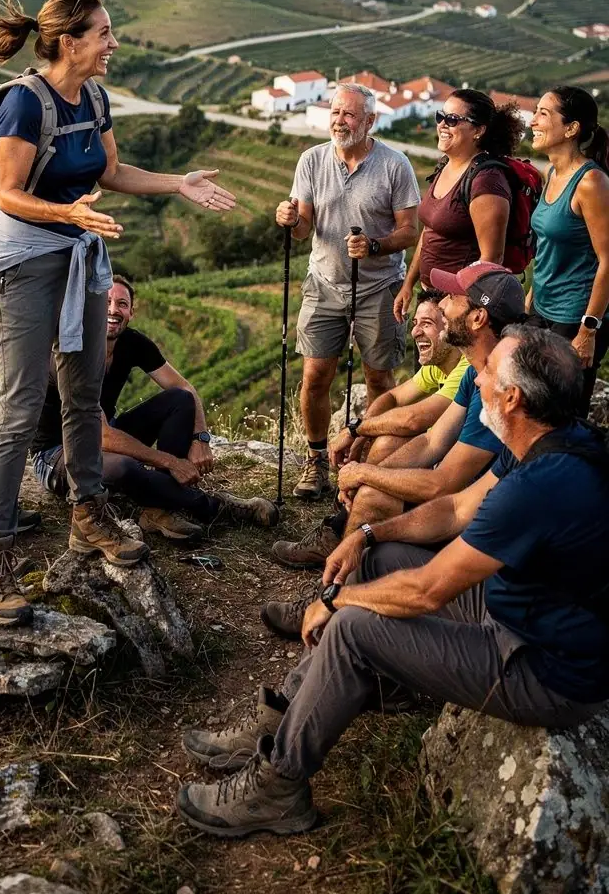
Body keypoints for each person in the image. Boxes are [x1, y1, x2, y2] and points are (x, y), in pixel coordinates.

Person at [176, 326, 609, 839]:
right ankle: (289, 710)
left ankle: (279, 785)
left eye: (489, 371)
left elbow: (428, 590)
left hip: (542, 670)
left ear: (512, 398)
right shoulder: (550, 441)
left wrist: (337, 600)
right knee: (381, 559)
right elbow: (455, 508)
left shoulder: (538, 488)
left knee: (352, 629)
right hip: (524, 613)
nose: (478, 377)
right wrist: (367, 533)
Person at [0, 0, 235, 627]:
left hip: (79, 255)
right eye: (104, 33)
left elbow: (111, 172)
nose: (113, 44)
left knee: (84, 395)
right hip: (25, 261)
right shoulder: (24, 103)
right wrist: (68, 211)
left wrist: (177, 184)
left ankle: (88, 513)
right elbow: (10, 195)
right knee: (18, 409)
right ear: (70, 42)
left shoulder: (93, 98)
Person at [261, 262, 525, 639]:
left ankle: (328, 603)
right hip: (467, 508)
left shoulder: (501, 385)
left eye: (452, 298)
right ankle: (335, 591)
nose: (443, 305)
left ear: (478, 317)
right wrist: (368, 475)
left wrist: (365, 473)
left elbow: (443, 484)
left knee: (375, 492)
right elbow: (431, 441)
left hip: (480, 530)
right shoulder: (475, 371)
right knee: (376, 486)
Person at [32, 276, 278, 537]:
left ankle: (157, 510)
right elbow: (101, 436)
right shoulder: (72, 350)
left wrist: (201, 437)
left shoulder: (132, 342)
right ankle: (217, 507)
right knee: (125, 467)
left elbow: (185, 388)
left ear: (131, 313)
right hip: (57, 454)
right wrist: (171, 462)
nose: (113, 310)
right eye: (105, 302)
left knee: (179, 401)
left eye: (122, 304)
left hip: (105, 431)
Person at [276, 83, 420, 501]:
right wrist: (290, 219)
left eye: (349, 114)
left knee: (379, 377)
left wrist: (373, 246)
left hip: (379, 287)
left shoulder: (395, 165)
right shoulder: (311, 160)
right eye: (335, 113)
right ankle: (316, 460)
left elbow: (409, 231)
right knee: (314, 376)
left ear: (370, 121)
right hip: (324, 284)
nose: (339, 121)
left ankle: (373, 459)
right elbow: (303, 229)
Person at [269, 291, 467, 571]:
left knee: (375, 486)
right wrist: (362, 435)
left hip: (453, 483)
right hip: (439, 463)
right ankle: (347, 520)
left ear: (449, 328)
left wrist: (355, 432)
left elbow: (413, 420)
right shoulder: (441, 365)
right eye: (415, 323)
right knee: (386, 442)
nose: (416, 332)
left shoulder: (464, 369)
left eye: (427, 324)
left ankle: (341, 551)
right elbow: (393, 397)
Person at [394, 89, 524, 322]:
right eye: (440, 116)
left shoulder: (486, 181)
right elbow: (430, 232)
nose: (442, 124)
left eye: (453, 119)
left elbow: (491, 260)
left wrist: (460, 310)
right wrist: (409, 284)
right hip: (430, 296)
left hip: (459, 305)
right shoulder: (445, 165)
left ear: (478, 130)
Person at [528, 86, 609, 414]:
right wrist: (532, 295)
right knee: (530, 407)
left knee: (561, 416)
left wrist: (588, 329)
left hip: (574, 318)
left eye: (543, 114)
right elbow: (549, 246)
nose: (533, 120)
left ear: (571, 128)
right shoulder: (553, 172)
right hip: (543, 308)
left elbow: (608, 260)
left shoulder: (591, 182)